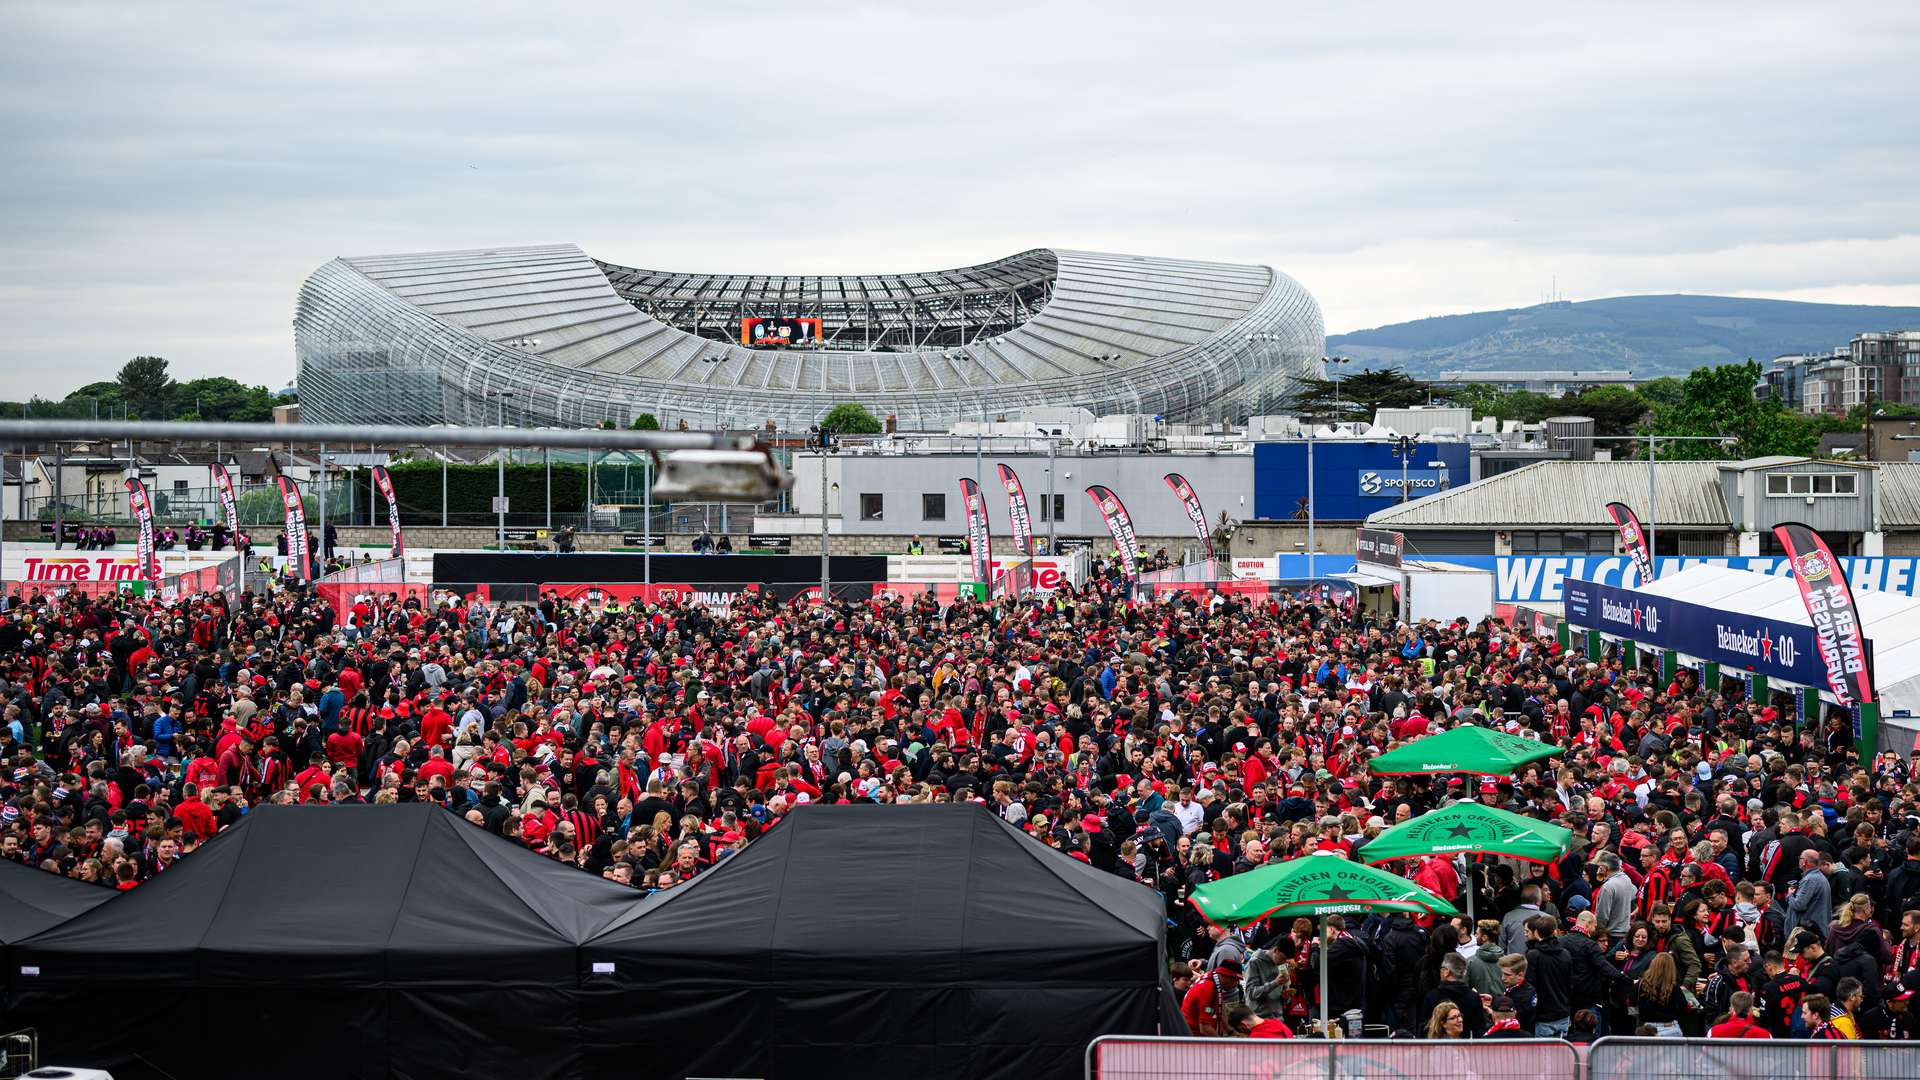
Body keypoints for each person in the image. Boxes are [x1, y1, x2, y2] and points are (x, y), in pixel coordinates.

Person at [1635, 953, 1694, 1038]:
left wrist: (1641, 1012)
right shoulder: (1673, 987)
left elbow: (1630, 1002)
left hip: (1648, 1030)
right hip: (1671, 1029)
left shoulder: (1641, 984)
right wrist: (1689, 1005)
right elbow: (1684, 1007)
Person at [1181, 957, 1243, 1036]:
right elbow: (1204, 1028)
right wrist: (1221, 1042)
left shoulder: (1214, 979)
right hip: (1192, 1037)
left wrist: (1230, 1031)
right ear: (1227, 976)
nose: (1236, 984)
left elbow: (1220, 1007)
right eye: (1236, 979)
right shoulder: (1207, 988)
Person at [1707, 990, 1772, 1038]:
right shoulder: (1766, 1035)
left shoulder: (1713, 1032)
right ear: (1751, 1010)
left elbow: (1705, 1051)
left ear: (1731, 1009)